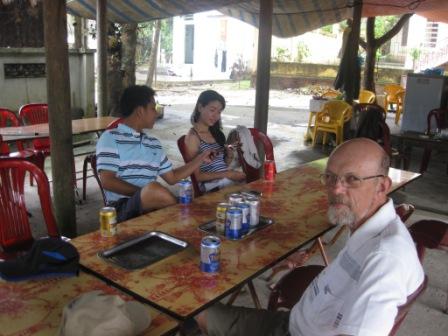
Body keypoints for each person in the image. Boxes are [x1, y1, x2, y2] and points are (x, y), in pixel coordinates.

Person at [195, 138, 425, 336]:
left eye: (352, 179)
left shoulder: (385, 258)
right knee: (194, 314)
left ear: (382, 186)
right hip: (291, 323)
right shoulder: (369, 229)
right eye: (331, 177)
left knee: (188, 317)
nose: (335, 190)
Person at [96, 85, 213, 222]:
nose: (156, 114)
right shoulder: (111, 137)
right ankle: (185, 217)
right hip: (121, 209)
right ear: (140, 111)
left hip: (152, 206)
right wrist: (145, 194)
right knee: (155, 190)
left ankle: (183, 216)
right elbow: (108, 181)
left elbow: (172, 178)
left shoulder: (154, 143)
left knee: (162, 193)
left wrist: (200, 158)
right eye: (153, 108)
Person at [184, 90, 245, 192]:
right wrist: (228, 174)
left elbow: (222, 164)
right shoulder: (193, 138)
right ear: (200, 107)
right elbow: (196, 176)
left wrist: (229, 153)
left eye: (219, 112)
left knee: (255, 180)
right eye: (212, 110)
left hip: (223, 180)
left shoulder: (215, 133)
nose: (216, 116)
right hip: (209, 186)